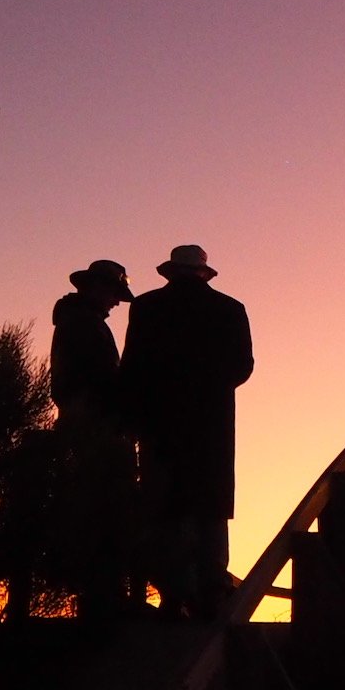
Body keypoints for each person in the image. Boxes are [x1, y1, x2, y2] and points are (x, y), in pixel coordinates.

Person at [120, 244, 254, 617]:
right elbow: (243, 366)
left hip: (159, 426)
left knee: (165, 507)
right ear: (203, 273)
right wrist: (209, 390)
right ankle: (210, 592)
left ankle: (174, 595)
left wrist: (131, 418)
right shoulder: (229, 309)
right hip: (211, 428)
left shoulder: (146, 308)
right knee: (210, 507)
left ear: (171, 272)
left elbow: (132, 368)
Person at [47, 259, 137, 620]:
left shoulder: (77, 321)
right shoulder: (85, 326)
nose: (115, 302)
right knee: (103, 509)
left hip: (86, 426)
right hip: (95, 431)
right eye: (113, 293)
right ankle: (102, 599)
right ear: (96, 288)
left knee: (92, 510)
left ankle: (100, 595)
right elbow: (100, 380)